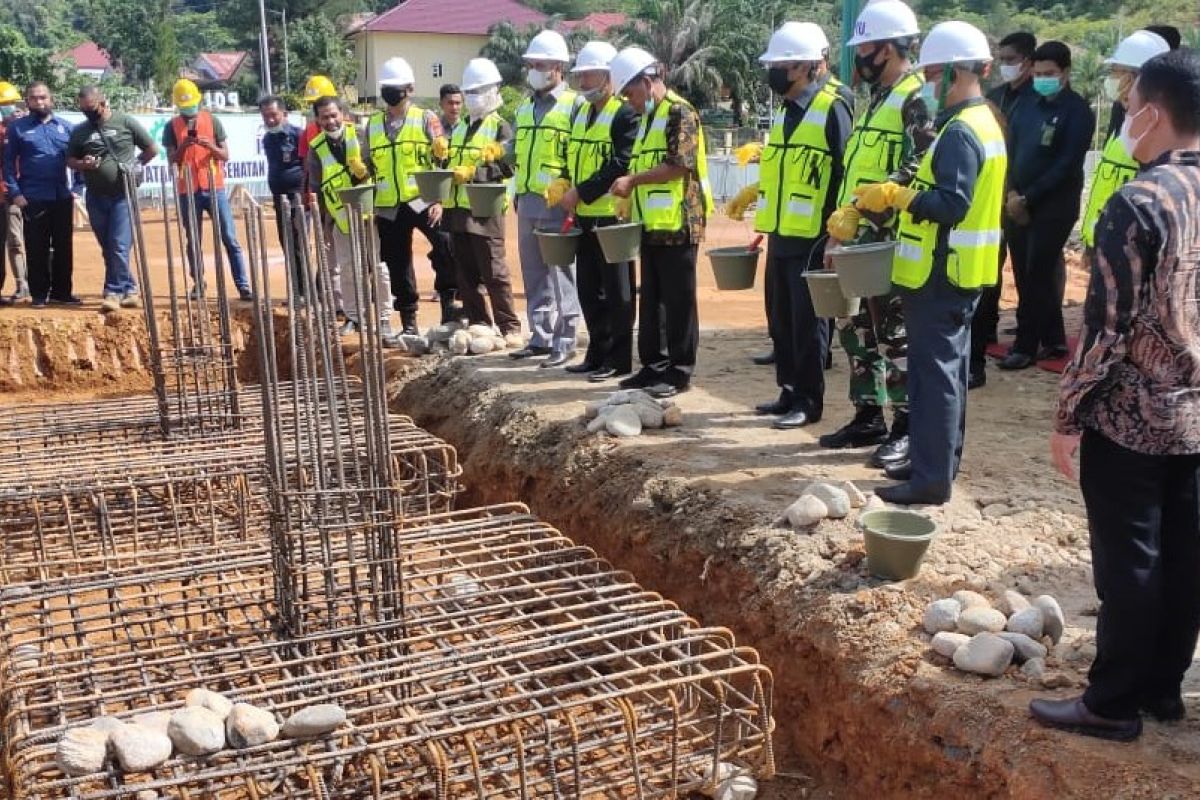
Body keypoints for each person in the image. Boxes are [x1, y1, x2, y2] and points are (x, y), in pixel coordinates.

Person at [1032, 49, 1200, 742]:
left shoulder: (1139, 202)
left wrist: (1070, 417)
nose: (1126, 121)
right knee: (1187, 556)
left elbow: (1105, 328)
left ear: (1154, 114)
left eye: (1130, 109)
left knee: (1130, 562)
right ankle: (1163, 689)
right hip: (1197, 415)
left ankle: (1111, 703)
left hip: (1133, 418)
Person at [854, 20, 1007, 505]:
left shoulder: (961, 131)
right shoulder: (987, 122)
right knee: (950, 375)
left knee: (933, 379)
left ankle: (929, 480)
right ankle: (939, 469)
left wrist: (899, 196)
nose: (932, 86)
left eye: (937, 75)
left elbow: (951, 204)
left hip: (939, 274)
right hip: (962, 272)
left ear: (960, 72)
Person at [820, 0, 933, 474]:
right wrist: (844, 224)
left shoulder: (915, 98)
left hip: (889, 239)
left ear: (888, 48)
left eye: (864, 47)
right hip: (857, 238)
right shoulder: (877, 101)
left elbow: (920, 164)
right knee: (857, 331)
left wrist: (866, 211)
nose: (858, 57)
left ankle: (906, 428)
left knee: (896, 337)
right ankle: (868, 415)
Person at [726, 22, 853, 428]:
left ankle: (809, 400)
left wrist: (838, 231)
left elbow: (843, 170)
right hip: (781, 229)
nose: (775, 73)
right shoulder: (785, 110)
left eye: (782, 65)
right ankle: (789, 390)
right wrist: (756, 192)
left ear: (808, 65)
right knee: (781, 318)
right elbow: (786, 167)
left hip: (814, 235)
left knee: (809, 322)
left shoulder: (834, 105)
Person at [609, 47, 713, 399]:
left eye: (631, 93)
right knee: (652, 300)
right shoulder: (647, 120)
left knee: (679, 300)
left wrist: (633, 182)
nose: (629, 101)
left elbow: (679, 165)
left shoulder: (679, 112)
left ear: (648, 81)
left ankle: (679, 371)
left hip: (680, 222)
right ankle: (653, 367)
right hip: (651, 224)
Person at [997, 42, 1094, 370]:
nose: (1042, 80)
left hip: (1053, 206)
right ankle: (1052, 337)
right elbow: (1009, 149)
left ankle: (1025, 346)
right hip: (1017, 201)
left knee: (1038, 273)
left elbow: (1066, 164)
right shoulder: (1026, 105)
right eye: (1037, 74)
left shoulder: (1077, 111)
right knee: (1023, 271)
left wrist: (1029, 198)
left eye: (1049, 74)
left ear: (1065, 73)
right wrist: (1012, 193)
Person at [551, 40, 639, 382]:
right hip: (584, 216)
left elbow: (620, 163)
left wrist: (581, 191)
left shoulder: (624, 113)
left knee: (617, 291)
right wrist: (562, 182)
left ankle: (618, 359)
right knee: (589, 288)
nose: (583, 82)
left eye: (588, 75)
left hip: (611, 216)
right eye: (581, 76)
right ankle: (596, 351)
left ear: (607, 76)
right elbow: (573, 156)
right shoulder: (580, 112)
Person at [509, 30, 585, 367]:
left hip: (559, 203)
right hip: (527, 201)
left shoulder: (574, 105)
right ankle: (539, 336)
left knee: (562, 272)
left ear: (558, 67)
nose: (533, 70)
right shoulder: (526, 107)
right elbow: (518, 152)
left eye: (539, 64)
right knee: (534, 272)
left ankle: (565, 339)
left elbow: (580, 154)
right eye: (531, 64)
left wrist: (570, 187)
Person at [364, 57, 453, 333]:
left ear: (410, 89)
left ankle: (449, 306)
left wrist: (439, 199)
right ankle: (410, 322)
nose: (390, 92)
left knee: (446, 246)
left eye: (396, 87)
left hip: (422, 199)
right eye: (387, 87)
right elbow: (367, 164)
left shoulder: (426, 118)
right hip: (389, 205)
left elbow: (442, 161)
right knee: (396, 262)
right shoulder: (374, 124)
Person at [969, 30, 1038, 389]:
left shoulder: (1037, 104)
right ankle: (979, 348)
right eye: (1001, 59)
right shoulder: (994, 99)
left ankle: (1028, 343)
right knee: (986, 284)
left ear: (1028, 60)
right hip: (993, 204)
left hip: (1022, 202)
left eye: (1011, 59)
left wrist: (1020, 195)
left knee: (1028, 276)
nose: (1004, 66)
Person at [444, 58, 521, 344]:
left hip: (486, 207)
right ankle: (479, 322)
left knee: (493, 269)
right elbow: (452, 163)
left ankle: (509, 326)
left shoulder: (501, 128)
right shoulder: (461, 127)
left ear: (493, 90)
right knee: (465, 272)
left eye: (478, 91)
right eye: (470, 92)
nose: (472, 97)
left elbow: (509, 166)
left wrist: (476, 172)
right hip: (458, 207)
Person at [304, 95, 392, 336]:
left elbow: (379, 166)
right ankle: (354, 317)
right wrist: (324, 226)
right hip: (340, 219)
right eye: (325, 117)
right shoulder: (317, 148)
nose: (330, 121)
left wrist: (364, 171)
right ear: (317, 120)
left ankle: (384, 317)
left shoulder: (361, 135)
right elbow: (319, 188)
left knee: (379, 266)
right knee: (348, 268)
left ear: (343, 113)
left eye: (334, 115)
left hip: (369, 213)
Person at [66, 85, 158, 312]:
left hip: (123, 195)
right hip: (96, 197)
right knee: (108, 247)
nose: (89, 113)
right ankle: (130, 289)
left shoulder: (125, 122)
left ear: (103, 103)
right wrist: (83, 164)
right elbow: (69, 160)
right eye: (84, 110)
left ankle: (113, 292)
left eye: (92, 109)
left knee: (119, 243)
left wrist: (135, 166)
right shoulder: (80, 131)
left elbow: (151, 149)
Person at [1079, 32, 1170, 257]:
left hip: (1129, 248)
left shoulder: (1158, 129)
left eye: (1116, 72)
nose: (1111, 79)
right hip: (1105, 239)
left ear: (1135, 77)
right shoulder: (1123, 118)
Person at [163, 79, 252, 301]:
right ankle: (198, 283)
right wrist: (184, 146)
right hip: (188, 191)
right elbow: (171, 160)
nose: (189, 113)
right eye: (184, 109)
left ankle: (243, 285)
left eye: (191, 107)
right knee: (193, 240)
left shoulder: (212, 121)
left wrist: (210, 146)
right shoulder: (171, 127)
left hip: (215, 188)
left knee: (230, 238)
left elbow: (225, 155)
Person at [3, 82, 78, 307]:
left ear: (51, 99)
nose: (39, 102)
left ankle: (62, 292)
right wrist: (15, 193)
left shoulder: (66, 127)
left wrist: (77, 189)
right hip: (32, 197)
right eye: (34, 98)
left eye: (43, 97)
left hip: (62, 196)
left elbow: (77, 159)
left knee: (64, 246)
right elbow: (7, 164)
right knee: (36, 247)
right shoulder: (18, 128)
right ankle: (38, 294)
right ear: (27, 102)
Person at [259, 95, 307, 301]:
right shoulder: (268, 139)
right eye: (265, 116)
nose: (269, 120)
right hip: (279, 199)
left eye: (273, 115)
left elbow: (307, 166)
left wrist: (305, 193)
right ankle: (297, 290)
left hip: (298, 198)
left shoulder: (298, 135)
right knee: (286, 242)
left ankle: (306, 292)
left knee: (299, 242)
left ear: (284, 114)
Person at [0, 81, 30, 304]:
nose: (10, 108)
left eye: (11, 103)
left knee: (16, 241)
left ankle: (23, 285)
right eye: (5, 104)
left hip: (12, 193)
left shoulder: (20, 129)